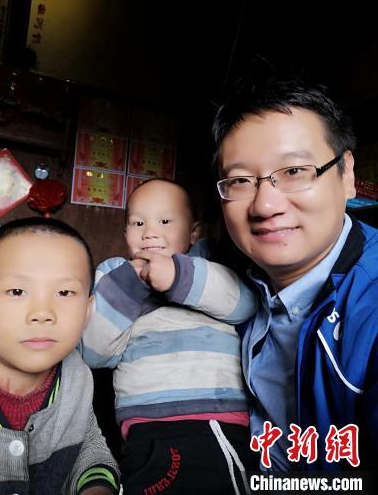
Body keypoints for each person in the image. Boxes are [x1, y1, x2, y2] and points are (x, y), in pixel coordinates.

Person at [207, 77, 378, 472]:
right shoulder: (227, 275)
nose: (265, 205)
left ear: (347, 174)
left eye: (295, 171)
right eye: (240, 180)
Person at [81, 178, 259, 495]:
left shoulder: (210, 262)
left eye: (165, 221)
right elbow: (94, 353)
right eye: (138, 223)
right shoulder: (114, 275)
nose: (150, 232)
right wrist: (132, 282)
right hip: (143, 426)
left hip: (214, 417)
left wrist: (178, 275)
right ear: (125, 233)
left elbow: (244, 304)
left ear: (193, 232)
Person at [0, 217, 120, 494]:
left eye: (64, 292)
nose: (42, 312)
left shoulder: (77, 378)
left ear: (87, 311)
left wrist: (97, 486)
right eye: (17, 291)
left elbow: (88, 446)